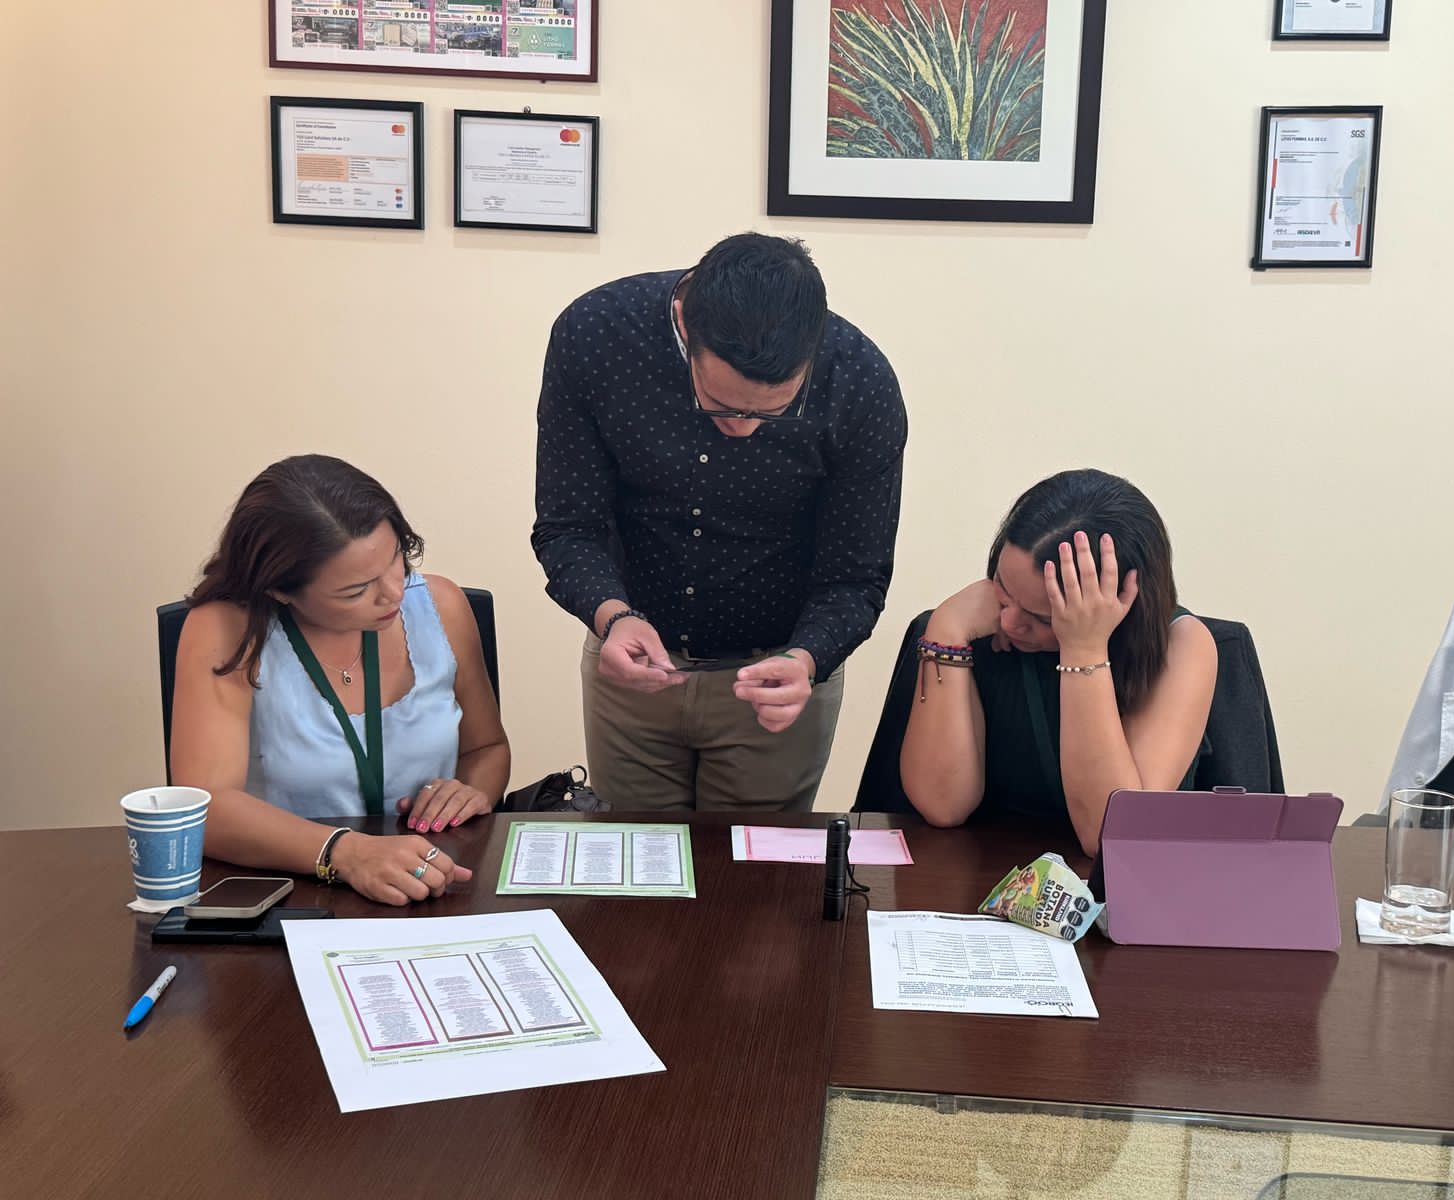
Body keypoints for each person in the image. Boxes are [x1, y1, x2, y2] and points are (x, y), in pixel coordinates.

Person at [532, 232, 907, 811]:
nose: (744, 428)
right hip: (633, 669)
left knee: (757, 869)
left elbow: (855, 577)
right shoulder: (597, 335)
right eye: (722, 404)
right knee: (633, 863)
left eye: (773, 412)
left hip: (777, 679)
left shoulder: (860, 383)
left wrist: (805, 659)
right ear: (685, 324)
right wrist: (613, 616)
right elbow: (568, 525)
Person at [170, 455, 510, 906]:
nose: (394, 593)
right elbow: (206, 807)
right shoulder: (227, 629)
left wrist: (470, 791)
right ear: (279, 590)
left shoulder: (440, 605)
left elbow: (486, 748)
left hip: (431, 881)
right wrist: (344, 853)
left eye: (398, 559)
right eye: (356, 590)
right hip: (288, 894)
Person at [899, 470, 1217, 854]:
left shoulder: (1181, 645)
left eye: (1043, 618)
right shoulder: (974, 633)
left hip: (1118, 889)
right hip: (984, 875)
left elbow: (1107, 835)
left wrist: (1083, 648)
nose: (1009, 622)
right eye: (1003, 590)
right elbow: (943, 806)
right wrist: (946, 629)